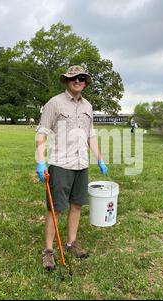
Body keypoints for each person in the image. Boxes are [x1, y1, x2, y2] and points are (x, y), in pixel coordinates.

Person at [35, 65, 108, 271]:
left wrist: (100, 159)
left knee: (77, 205)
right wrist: (40, 161)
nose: (78, 81)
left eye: (81, 78)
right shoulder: (54, 103)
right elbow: (42, 133)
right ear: (67, 81)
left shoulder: (88, 106)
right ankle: (48, 251)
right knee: (56, 209)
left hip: (81, 164)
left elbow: (90, 135)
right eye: (73, 78)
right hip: (60, 164)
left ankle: (71, 243)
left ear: (85, 82)